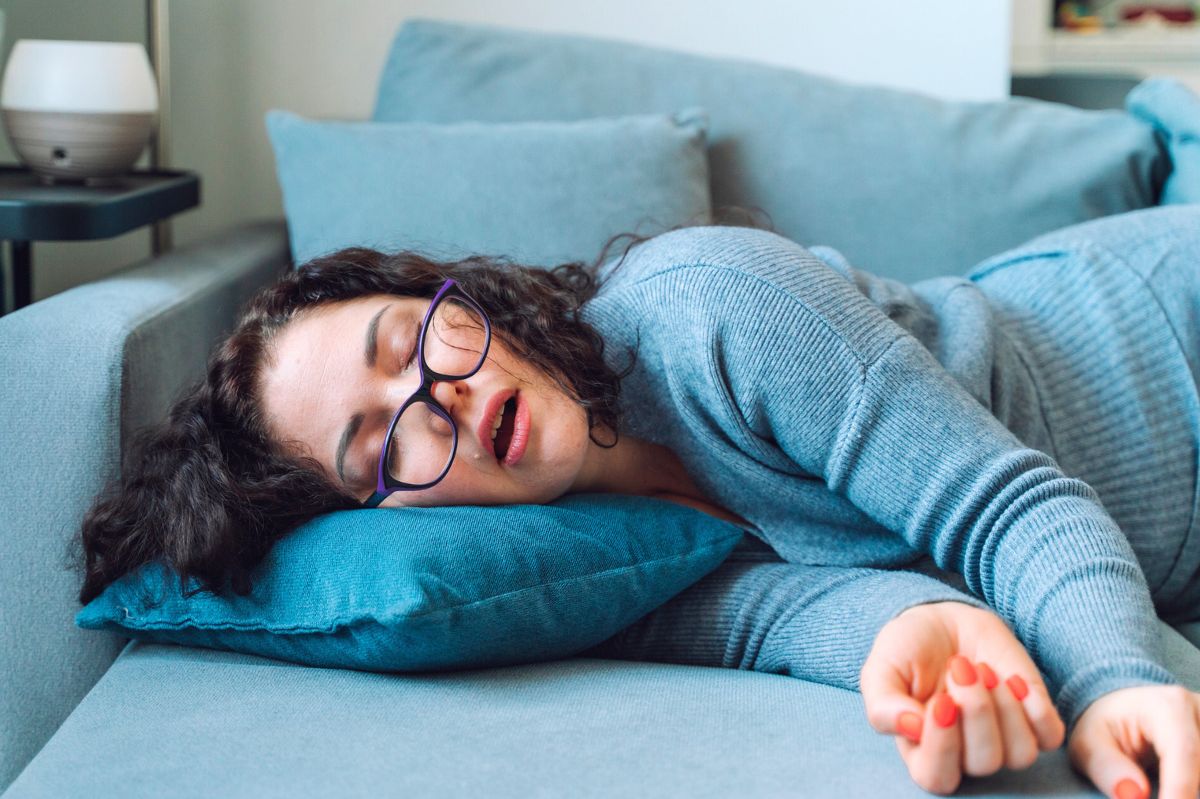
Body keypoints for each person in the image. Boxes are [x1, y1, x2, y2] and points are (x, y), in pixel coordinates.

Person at [73, 205, 1200, 799]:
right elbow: (770, 616)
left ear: (460, 300)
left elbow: (1007, 509)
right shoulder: (570, 562)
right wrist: (916, 629)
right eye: (382, 438)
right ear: (379, 515)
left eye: (414, 340)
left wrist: (1112, 678)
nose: (444, 398)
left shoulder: (712, 305)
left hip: (1165, 337)